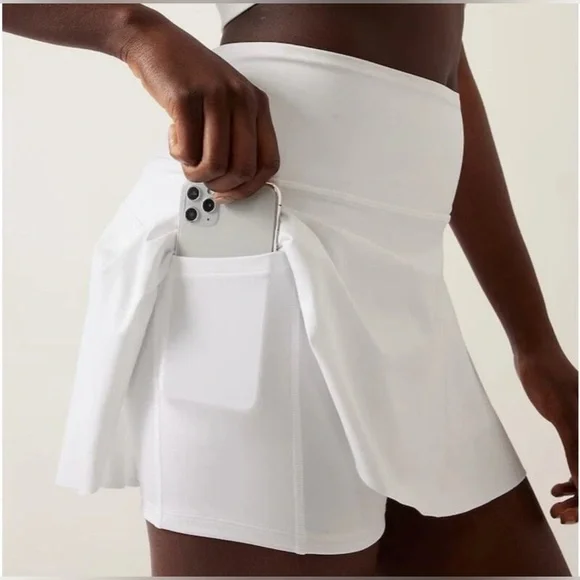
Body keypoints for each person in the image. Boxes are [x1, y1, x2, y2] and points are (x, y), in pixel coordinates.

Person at [4, 3, 577, 577]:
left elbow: (444, 66)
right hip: (266, 228)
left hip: (408, 286)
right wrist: (131, 30)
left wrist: (536, 346)